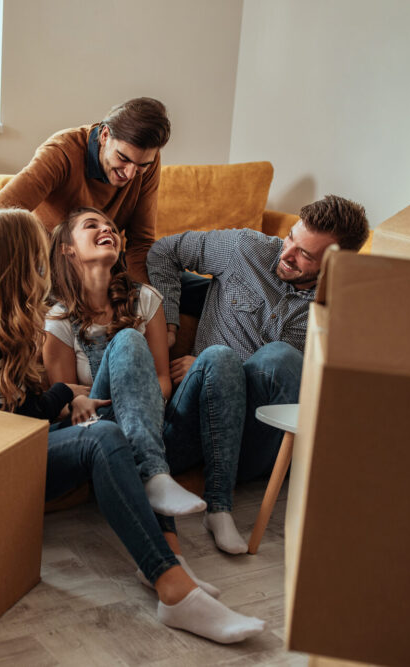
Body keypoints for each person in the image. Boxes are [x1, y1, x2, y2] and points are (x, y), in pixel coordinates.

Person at [0, 207, 265, 644]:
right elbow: (13, 426)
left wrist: (69, 398)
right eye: (35, 256)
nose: (42, 265)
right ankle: (175, 585)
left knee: (125, 351)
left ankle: (171, 565)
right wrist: (67, 396)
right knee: (104, 434)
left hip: (17, 440)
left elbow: (18, 412)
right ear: (14, 265)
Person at [147, 195, 370, 554]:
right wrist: (169, 323)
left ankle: (221, 498)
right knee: (218, 357)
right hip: (194, 418)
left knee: (280, 358)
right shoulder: (244, 249)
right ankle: (219, 508)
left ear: (334, 266)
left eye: (305, 255)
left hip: (255, 443)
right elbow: (163, 251)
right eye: (290, 239)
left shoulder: (343, 307)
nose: (287, 254)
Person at [42, 207, 204, 517]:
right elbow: (66, 401)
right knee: (129, 339)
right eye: (92, 226)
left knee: (136, 342)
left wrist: (136, 407)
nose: (108, 230)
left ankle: (156, 476)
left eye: (112, 227)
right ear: (68, 250)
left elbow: (162, 383)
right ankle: (154, 474)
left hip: (147, 415)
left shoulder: (146, 299)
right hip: (95, 424)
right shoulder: (59, 317)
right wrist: (118, 403)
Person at [0, 97, 170, 286]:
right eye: (123, 158)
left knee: (194, 288)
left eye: (142, 165)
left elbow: (141, 242)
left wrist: (144, 299)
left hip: (105, 266)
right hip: (48, 264)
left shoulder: (147, 161)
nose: (131, 174)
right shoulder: (62, 151)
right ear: (105, 135)